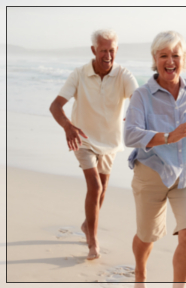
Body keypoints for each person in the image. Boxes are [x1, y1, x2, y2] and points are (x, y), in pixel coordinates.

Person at [124, 31, 186, 287]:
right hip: (151, 172)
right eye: (164, 55)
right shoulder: (142, 95)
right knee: (147, 236)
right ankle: (140, 272)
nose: (170, 60)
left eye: (176, 55)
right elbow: (130, 134)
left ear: (183, 59)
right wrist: (168, 137)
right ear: (155, 59)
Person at [49, 29, 138, 260]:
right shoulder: (79, 74)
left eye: (111, 50)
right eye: (103, 50)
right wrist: (68, 127)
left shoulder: (124, 75)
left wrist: (138, 113)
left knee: (103, 188)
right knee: (95, 187)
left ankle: (88, 225)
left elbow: (139, 98)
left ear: (116, 50)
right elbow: (55, 106)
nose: (107, 55)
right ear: (93, 50)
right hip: (82, 137)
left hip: (110, 141)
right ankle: (93, 242)